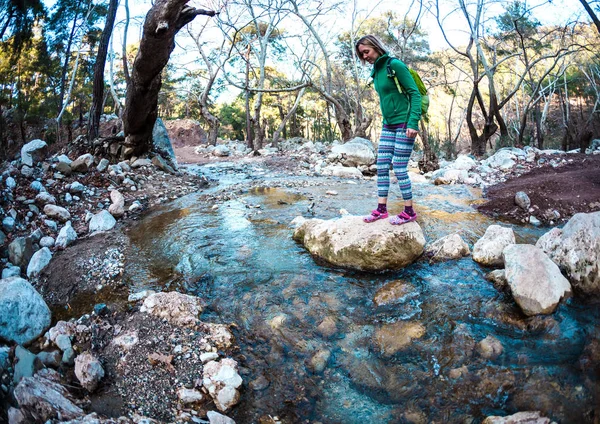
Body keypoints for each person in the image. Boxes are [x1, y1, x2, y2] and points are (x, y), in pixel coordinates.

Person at [355, 35, 422, 225]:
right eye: (362, 55)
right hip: (388, 124)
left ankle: (409, 211)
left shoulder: (395, 65)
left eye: (366, 52)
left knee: (399, 167)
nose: (365, 56)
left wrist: (413, 123)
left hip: (404, 123)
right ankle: (381, 209)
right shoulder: (376, 72)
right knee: (382, 166)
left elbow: (414, 94)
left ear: (375, 47)